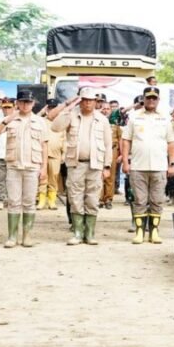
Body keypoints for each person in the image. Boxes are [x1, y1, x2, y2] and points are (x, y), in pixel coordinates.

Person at [50, 87, 112, 246]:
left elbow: (108, 144)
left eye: (91, 100)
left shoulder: (102, 119)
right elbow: (55, 127)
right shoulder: (72, 115)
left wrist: (107, 166)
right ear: (80, 101)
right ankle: (77, 232)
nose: (88, 103)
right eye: (84, 100)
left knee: (92, 198)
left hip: (95, 164)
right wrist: (69, 107)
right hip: (76, 164)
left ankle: (89, 233)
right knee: (75, 198)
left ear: (95, 102)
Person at [0, 91, 49, 248]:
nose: (25, 105)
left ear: (33, 103)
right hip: (14, 166)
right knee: (14, 201)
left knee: (29, 202)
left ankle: (27, 236)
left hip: (32, 166)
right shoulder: (10, 120)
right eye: (22, 102)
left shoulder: (40, 122)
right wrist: (6, 120)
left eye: (28, 102)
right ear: (17, 103)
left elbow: (44, 145)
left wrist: (44, 168)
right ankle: (12, 237)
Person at [121, 86, 174, 244]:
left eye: (154, 98)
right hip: (138, 165)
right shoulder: (134, 116)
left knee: (157, 200)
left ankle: (154, 232)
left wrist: (171, 164)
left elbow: (171, 142)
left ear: (158, 100)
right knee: (139, 200)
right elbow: (126, 140)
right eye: (148, 98)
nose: (151, 100)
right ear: (143, 99)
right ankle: (139, 232)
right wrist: (125, 162)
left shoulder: (165, 118)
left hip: (159, 166)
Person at [36, 99, 65, 211]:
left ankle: (52, 201)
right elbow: (33, 119)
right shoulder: (41, 121)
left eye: (54, 108)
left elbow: (65, 140)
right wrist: (42, 111)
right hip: (41, 155)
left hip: (56, 154)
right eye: (50, 108)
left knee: (54, 178)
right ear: (47, 109)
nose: (52, 110)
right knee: (42, 178)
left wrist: (64, 154)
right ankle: (41, 200)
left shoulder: (61, 123)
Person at [100, 101, 122, 209]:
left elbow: (120, 139)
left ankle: (108, 199)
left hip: (113, 150)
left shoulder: (115, 123)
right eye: (103, 108)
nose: (105, 111)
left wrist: (121, 154)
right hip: (99, 151)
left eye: (107, 109)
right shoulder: (97, 121)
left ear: (110, 110)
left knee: (110, 176)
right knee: (99, 175)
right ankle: (99, 199)